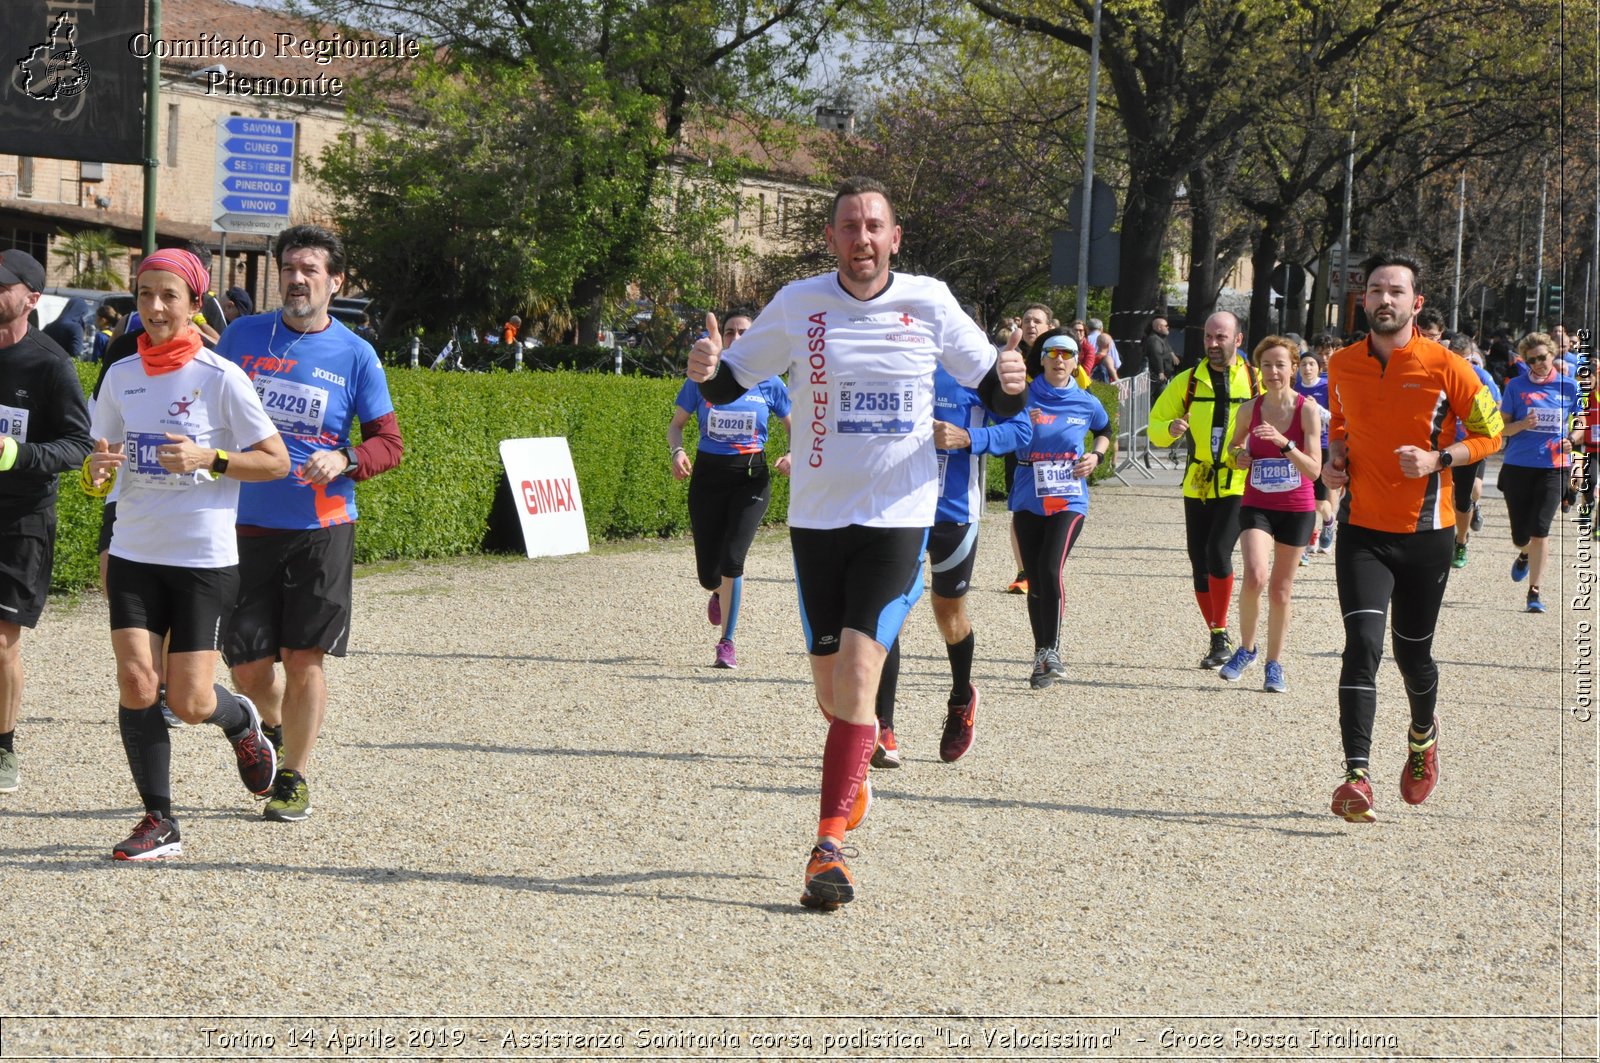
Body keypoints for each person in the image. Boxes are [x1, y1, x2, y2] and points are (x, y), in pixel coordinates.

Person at [686, 175, 1027, 910]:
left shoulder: (929, 301)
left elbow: (997, 391)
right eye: (849, 226)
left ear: (894, 237)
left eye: (875, 225)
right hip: (816, 521)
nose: (862, 238)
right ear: (833, 238)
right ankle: (855, 768)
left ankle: (827, 847)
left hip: (898, 517)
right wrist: (707, 372)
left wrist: (1013, 378)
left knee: (862, 675)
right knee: (834, 693)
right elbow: (728, 385)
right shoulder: (798, 303)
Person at [84, 248, 291, 858]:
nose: (154, 307)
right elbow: (103, 467)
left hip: (202, 557)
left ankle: (241, 721)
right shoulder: (120, 375)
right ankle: (159, 819)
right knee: (136, 679)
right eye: (145, 295)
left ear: (195, 305)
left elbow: (276, 461)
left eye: (168, 296)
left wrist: (212, 458)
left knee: (190, 700)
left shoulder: (220, 377)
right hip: (134, 550)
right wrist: (96, 470)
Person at [217, 224, 405, 824]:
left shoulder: (356, 354)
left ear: (335, 281)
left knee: (305, 658)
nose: (298, 279)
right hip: (243, 522)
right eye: (290, 268)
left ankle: (293, 776)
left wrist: (346, 459)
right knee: (247, 666)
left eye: (311, 270)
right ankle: (269, 726)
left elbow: (389, 444)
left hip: (322, 525)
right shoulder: (242, 336)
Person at [1323, 250, 1503, 824]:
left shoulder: (1448, 365)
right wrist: (1334, 459)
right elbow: (1342, 424)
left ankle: (1423, 736)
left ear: (1415, 303)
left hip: (1428, 532)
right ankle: (1357, 777)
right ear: (1363, 300)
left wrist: (1437, 459)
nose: (1385, 299)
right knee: (1363, 648)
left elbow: (1491, 433)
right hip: (1361, 532)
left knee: (1412, 655)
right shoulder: (1342, 364)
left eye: (1396, 291)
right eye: (1376, 290)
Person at [872, 360, 1028, 766]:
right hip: (901, 512)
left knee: (949, 616)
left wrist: (968, 437)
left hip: (955, 513)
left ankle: (961, 700)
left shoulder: (977, 375)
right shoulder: (899, 367)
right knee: (889, 614)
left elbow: (1021, 429)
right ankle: (882, 727)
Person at [0, 249, 93, 794]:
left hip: (21, 519)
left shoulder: (50, 363)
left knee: (2, 640)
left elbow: (79, 443)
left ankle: (3, 747)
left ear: (31, 299)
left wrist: (18, 453)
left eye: (3, 286)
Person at [668, 309, 792, 668]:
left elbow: (794, 425)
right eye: (730, 332)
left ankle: (727, 642)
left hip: (751, 478)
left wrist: (792, 452)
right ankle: (717, 591)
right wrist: (677, 452)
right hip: (708, 476)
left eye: (744, 333)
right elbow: (676, 426)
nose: (737, 339)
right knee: (710, 573)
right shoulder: (702, 379)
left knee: (733, 560)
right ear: (720, 337)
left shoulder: (769, 381)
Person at [1148, 311, 1262, 669]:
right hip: (1197, 482)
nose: (1213, 344)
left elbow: (1281, 420)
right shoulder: (1188, 382)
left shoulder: (1256, 381)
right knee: (1199, 562)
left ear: (1238, 340)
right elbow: (1154, 426)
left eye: (1221, 337)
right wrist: (1172, 429)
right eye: (1209, 337)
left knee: (1217, 552)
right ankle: (1217, 635)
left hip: (1238, 482)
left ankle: (1224, 632)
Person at [1218, 336, 1322, 692]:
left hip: (1296, 507)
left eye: (1280, 365)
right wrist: (1239, 456)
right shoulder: (1250, 409)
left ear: (1294, 368)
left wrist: (1284, 443)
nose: (1273, 372)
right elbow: (1232, 448)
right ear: (1258, 370)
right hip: (1257, 503)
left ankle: (1274, 664)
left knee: (1280, 590)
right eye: (1266, 366)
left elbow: (1313, 470)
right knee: (1255, 575)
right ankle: (1246, 649)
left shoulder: (1307, 410)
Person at [1008, 330, 1111, 688]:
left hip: (1069, 498)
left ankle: (1051, 649)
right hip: (1028, 496)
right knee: (1035, 577)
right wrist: (1021, 425)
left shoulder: (1085, 401)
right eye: (1051, 352)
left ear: (1074, 361)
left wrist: (1095, 456)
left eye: (1066, 354)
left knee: (1051, 569)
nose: (1058, 360)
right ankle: (1041, 655)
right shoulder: (1023, 396)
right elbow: (1000, 428)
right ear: (1041, 358)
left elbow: (1105, 429)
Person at [1498, 331, 1579, 612]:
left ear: (1553, 354)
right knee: (1522, 535)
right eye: (1532, 360)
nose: (1539, 363)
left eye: (1543, 357)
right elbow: (1501, 428)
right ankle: (1523, 553)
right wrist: (1522, 425)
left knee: (1541, 530)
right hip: (1519, 465)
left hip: (1554, 468)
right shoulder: (1516, 387)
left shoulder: (1569, 387)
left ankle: (1534, 592)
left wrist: (1573, 441)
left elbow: (1579, 424)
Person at [1006, 303, 1054, 594]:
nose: (1031, 325)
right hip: (1021, 446)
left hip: (1054, 450)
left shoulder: (1062, 356)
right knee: (1020, 509)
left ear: (1049, 326)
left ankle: (1048, 564)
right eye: (1026, 320)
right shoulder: (1012, 360)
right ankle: (1024, 570)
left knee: (1054, 508)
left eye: (1037, 321)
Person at [1447, 332, 1500, 567]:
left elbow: (1496, 410)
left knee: (1465, 497)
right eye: (1454, 359)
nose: (1460, 365)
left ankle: (1461, 541)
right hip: (1441, 445)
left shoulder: (1482, 377)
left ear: (1471, 357)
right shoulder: (1440, 375)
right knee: (1444, 495)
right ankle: (1443, 539)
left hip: (1470, 447)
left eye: (1464, 360)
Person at [1291, 347, 1334, 558]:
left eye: (1311, 365)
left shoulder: (1327, 387)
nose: (1307, 368)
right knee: (1301, 497)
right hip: (1301, 447)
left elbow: (1337, 419)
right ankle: (1308, 539)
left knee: (1319, 501)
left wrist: (1318, 409)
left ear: (1319, 368)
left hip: (1323, 446)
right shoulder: (1296, 388)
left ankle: (1328, 521)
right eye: (1303, 365)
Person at [1143, 315, 1177, 392]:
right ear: (1159, 327)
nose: (1168, 327)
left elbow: (1167, 349)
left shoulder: (1161, 338)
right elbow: (1156, 355)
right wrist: (1160, 372)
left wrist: (1173, 355)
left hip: (1163, 378)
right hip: (1157, 379)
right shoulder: (1154, 340)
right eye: (1166, 326)